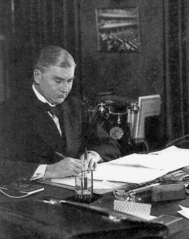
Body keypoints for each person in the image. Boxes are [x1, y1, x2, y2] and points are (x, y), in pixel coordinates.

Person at [0, 46, 120, 182]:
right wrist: (48, 170)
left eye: (70, 81)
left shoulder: (76, 107)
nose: (65, 89)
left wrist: (94, 155)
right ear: (37, 76)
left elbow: (110, 144)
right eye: (58, 81)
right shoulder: (8, 112)